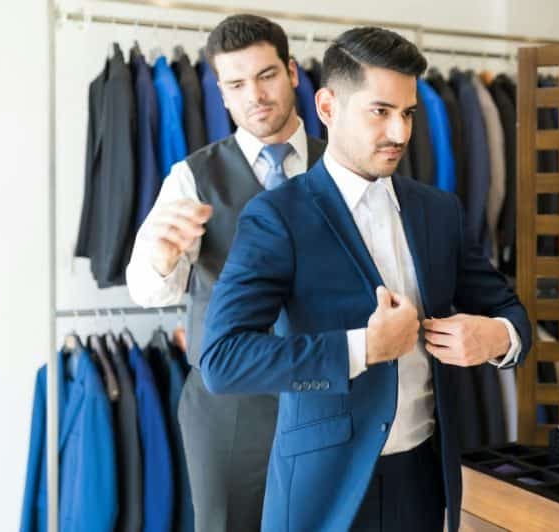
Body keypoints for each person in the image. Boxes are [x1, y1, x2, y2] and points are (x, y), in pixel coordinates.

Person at [199, 26, 531, 532]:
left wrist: (495, 337)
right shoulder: (277, 217)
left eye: (408, 114)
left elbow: (512, 314)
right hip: (324, 488)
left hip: (422, 479)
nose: (399, 132)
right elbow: (223, 361)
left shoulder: (439, 211)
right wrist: (363, 348)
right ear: (328, 107)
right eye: (380, 111)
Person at [125, 14, 326, 532]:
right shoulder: (191, 176)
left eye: (266, 76)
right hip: (229, 405)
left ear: (292, 73)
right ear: (222, 91)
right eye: (236, 84)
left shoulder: (343, 167)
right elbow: (147, 290)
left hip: (327, 392)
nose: (254, 95)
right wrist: (163, 257)